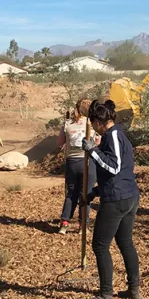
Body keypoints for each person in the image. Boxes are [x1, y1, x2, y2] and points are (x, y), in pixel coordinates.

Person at [77, 99, 141, 299]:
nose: (93, 129)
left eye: (92, 124)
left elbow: (113, 167)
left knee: (100, 245)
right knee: (125, 242)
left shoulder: (113, 137)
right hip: (127, 195)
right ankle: (133, 289)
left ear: (97, 122)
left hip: (118, 200)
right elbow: (115, 173)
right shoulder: (117, 134)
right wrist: (94, 192)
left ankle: (105, 296)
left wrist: (92, 151)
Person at [57, 98, 98, 235]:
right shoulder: (92, 123)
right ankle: (83, 225)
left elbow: (60, 142)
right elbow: (98, 141)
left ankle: (64, 223)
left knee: (71, 194)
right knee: (85, 194)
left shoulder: (67, 122)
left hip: (72, 163)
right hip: (88, 162)